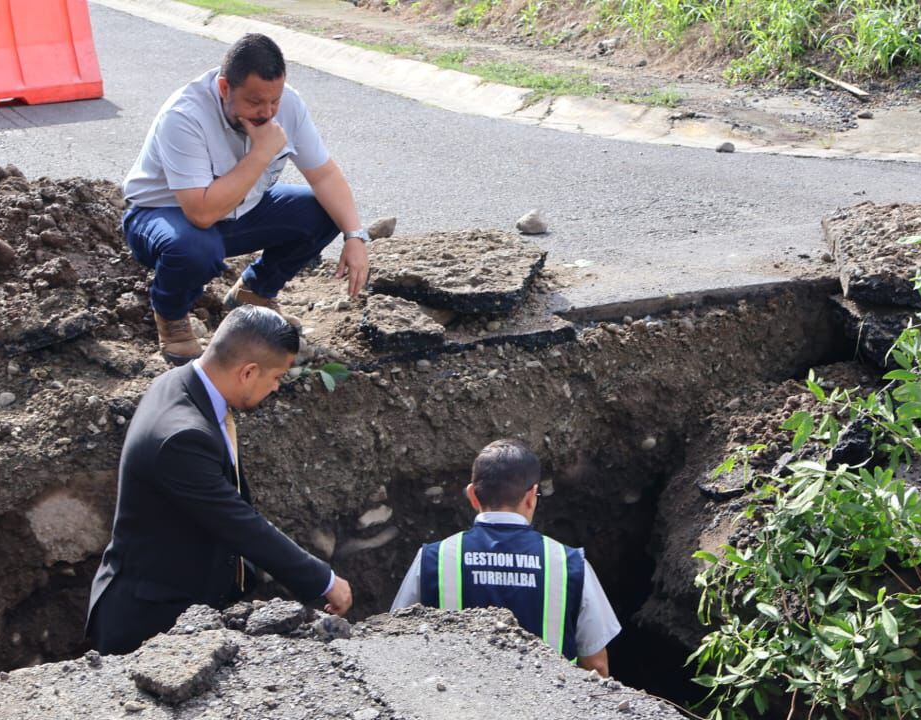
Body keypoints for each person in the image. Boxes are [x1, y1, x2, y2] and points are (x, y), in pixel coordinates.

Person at [86, 306, 352, 654]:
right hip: (148, 621)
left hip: (177, 598)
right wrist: (324, 581)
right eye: (276, 377)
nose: (275, 388)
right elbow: (238, 522)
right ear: (248, 372)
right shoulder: (180, 439)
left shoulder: (182, 383)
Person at [122, 32, 370, 365]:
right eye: (255, 103)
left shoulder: (289, 105)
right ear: (225, 88)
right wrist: (263, 152)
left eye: (274, 101)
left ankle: (254, 292)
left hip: (238, 212)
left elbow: (324, 175)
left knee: (326, 212)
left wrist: (355, 236)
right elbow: (201, 213)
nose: (267, 113)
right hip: (163, 216)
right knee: (196, 248)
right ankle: (171, 316)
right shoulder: (184, 116)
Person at [391, 440, 620, 676]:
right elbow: (596, 665)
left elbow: (395, 640)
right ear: (531, 496)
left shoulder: (432, 558)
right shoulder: (570, 564)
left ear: (472, 495)